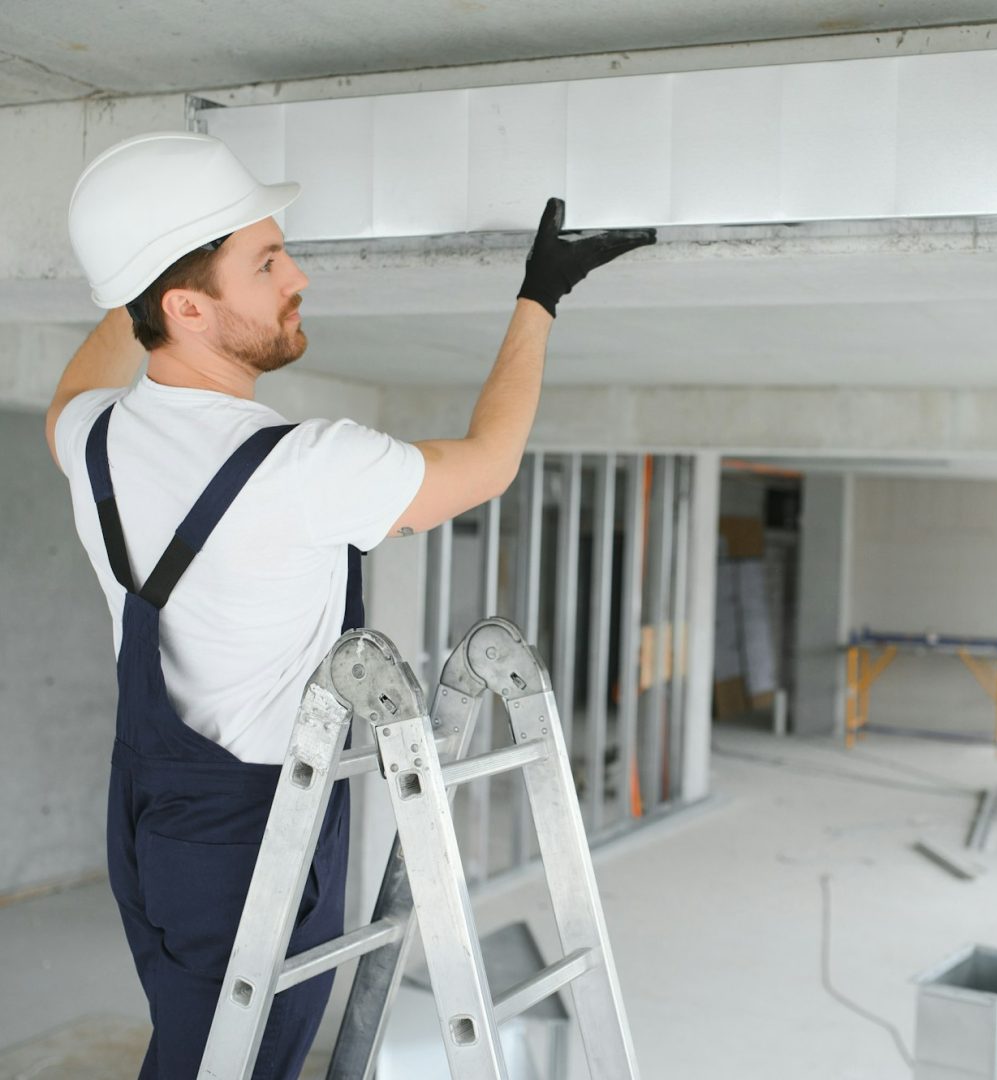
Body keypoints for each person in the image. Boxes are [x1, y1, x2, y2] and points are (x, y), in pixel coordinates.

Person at [46, 130, 653, 1079]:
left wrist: (149, 267)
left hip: (151, 817)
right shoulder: (305, 466)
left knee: (197, 1051)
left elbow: (78, 387)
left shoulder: (91, 443)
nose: (300, 277)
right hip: (255, 839)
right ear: (188, 307)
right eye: (267, 261)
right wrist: (541, 298)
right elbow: (487, 463)